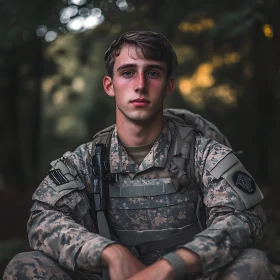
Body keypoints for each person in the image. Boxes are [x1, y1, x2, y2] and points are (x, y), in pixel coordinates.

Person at [3, 31, 277, 280]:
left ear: (169, 86)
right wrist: (107, 251)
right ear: (110, 86)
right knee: (26, 265)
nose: (140, 85)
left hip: (189, 275)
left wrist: (173, 264)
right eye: (128, 73)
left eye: (153, 73)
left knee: (252, 264)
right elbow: (42, 218)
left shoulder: (202, 153)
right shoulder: (87, 160)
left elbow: (243, 220)